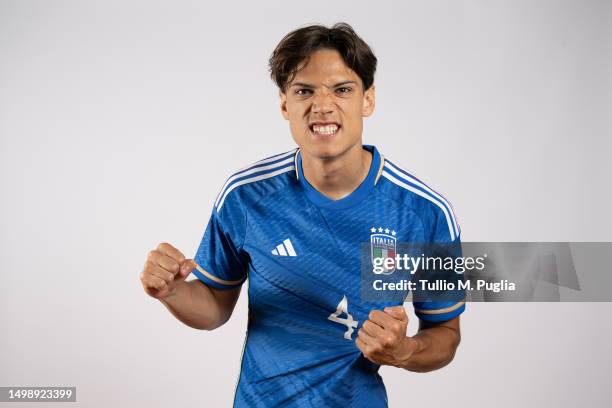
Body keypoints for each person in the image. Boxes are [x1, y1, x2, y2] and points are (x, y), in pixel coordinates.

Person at [140, 22, 464, 407]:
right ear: (284, 104)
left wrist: (405, 351)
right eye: (304, 91)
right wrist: (172, 291)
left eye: (342, 89)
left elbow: (445, 332)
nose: (322, 106)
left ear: (368, 100)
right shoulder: (245, 196)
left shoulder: (425, 213)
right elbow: (213, 306)